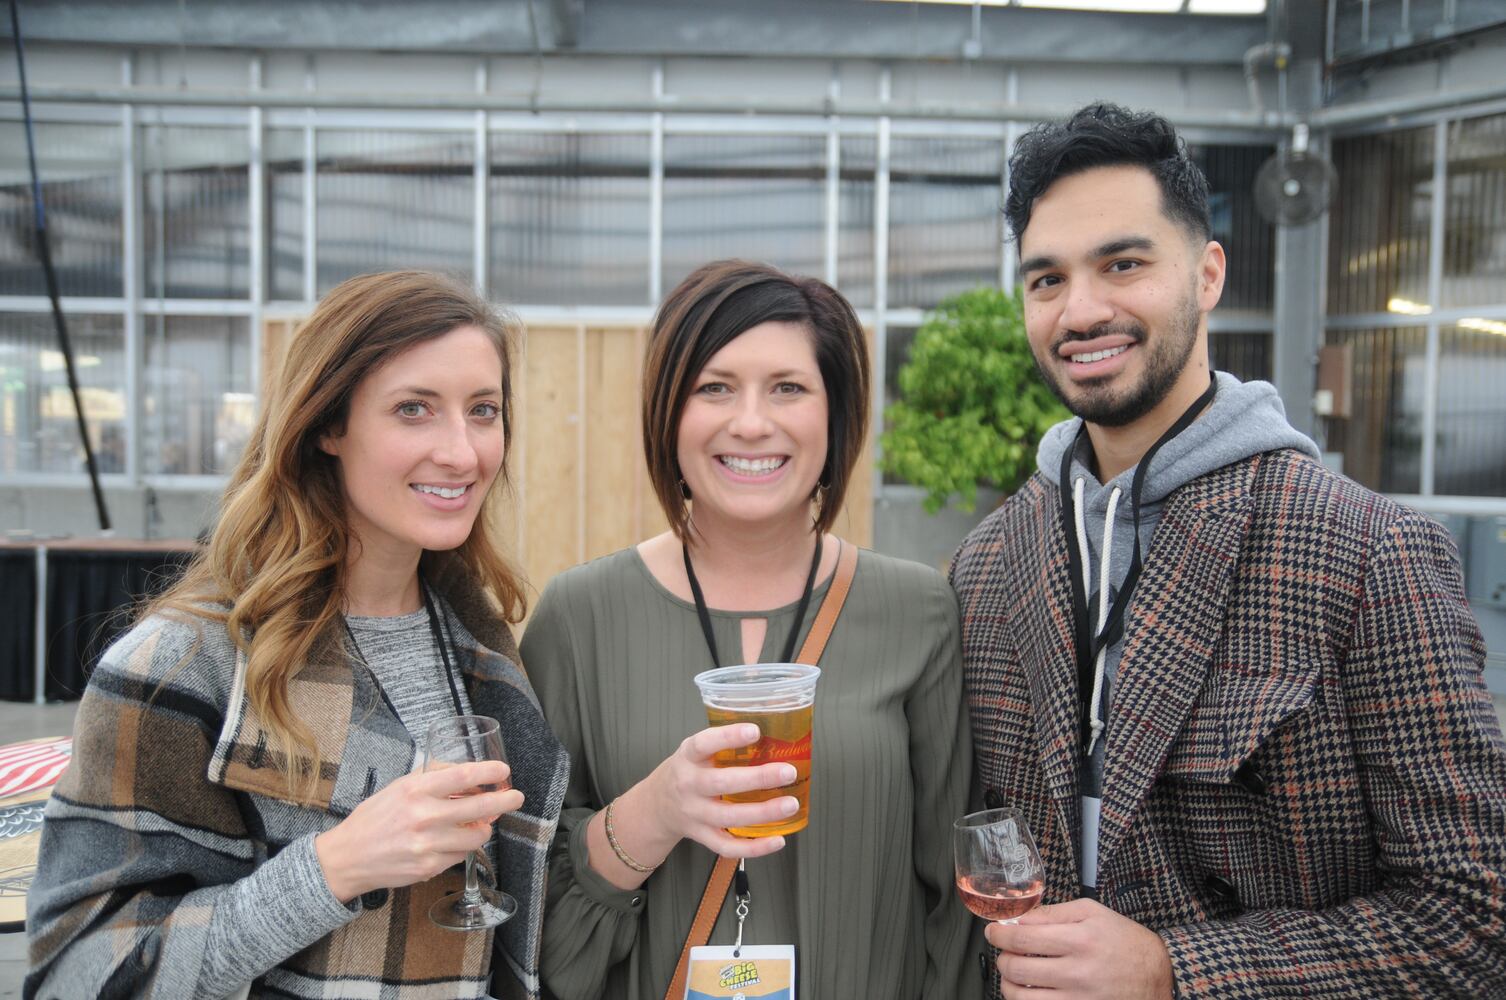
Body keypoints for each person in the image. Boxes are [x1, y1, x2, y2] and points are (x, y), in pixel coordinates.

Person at [952, 102, 1506, 999]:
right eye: (1046, 279)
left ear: (1207, 274)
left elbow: (1475, 918)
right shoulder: (988, 561)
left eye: (1122, 264)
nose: (1080, 309)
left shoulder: (1367, 552)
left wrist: (1181, 973)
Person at [26, 271, 568, 1000]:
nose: (463, 452)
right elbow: (73, 972)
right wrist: (334, 867)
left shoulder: (481, 645)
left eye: (483, 410)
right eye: (414, 409)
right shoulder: (184, 665)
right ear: (327, 426)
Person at [521, 259, 979, 1000]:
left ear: (838, 415)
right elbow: (525, 928)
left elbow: (953, 905)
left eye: (789, 388)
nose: (752, 422)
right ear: (668, 414)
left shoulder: (917, 612)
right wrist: (654, 814)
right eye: (714, 388)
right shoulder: (578, 618)